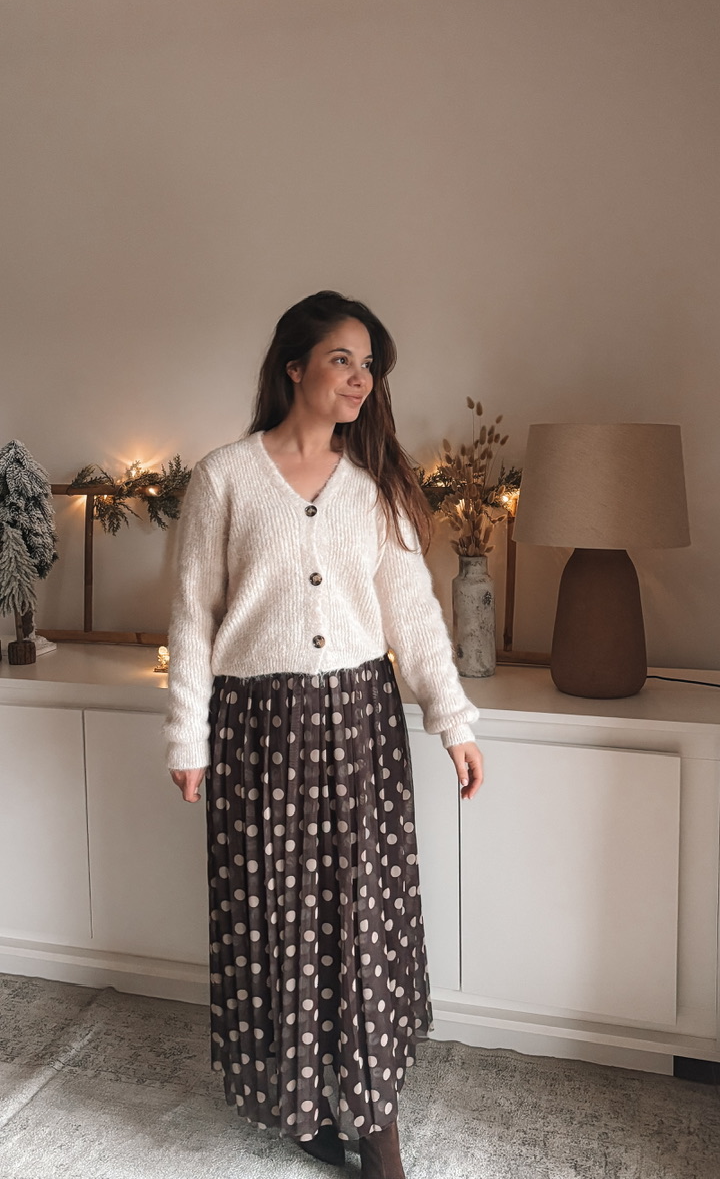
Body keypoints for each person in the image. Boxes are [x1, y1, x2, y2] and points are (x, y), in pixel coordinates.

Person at [163, 290, 483, 1178]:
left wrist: (453, 719)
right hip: (256, 729)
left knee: (361, 918)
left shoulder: (374, 486)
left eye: (369, 364)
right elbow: (191, 615)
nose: (360, 378)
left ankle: (376, 1123)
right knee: (276, 920)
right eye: (343, 358)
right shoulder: (225, 478)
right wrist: (187, 738)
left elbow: (413, 616)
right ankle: (299, 1100)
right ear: (294, 365)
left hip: (359, 725)